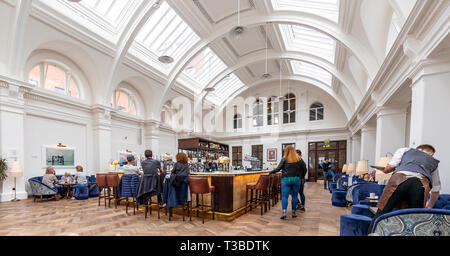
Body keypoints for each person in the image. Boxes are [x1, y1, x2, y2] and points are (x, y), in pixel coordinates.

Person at [367, 144, 441, 233]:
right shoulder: (433, 162)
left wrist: (385, 170)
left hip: (398, 180)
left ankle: (371, 233)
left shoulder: (405, 150)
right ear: (431, 154)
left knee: (381, 214)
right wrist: (429, 206)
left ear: (417, 149)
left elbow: (391, 166)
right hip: (419, 185)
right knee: (414, 220)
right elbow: (436, 189)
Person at [269, 145, 303, 219]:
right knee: (294, 196)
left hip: (286, 180)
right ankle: (293, 212)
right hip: (296, 180)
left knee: (285, 197)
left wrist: (270, 172)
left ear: (286, 151)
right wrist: (301, 176)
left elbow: (277, 169)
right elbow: (304, 169)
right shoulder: (299, 159)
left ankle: (284, 213)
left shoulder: (284, 159)